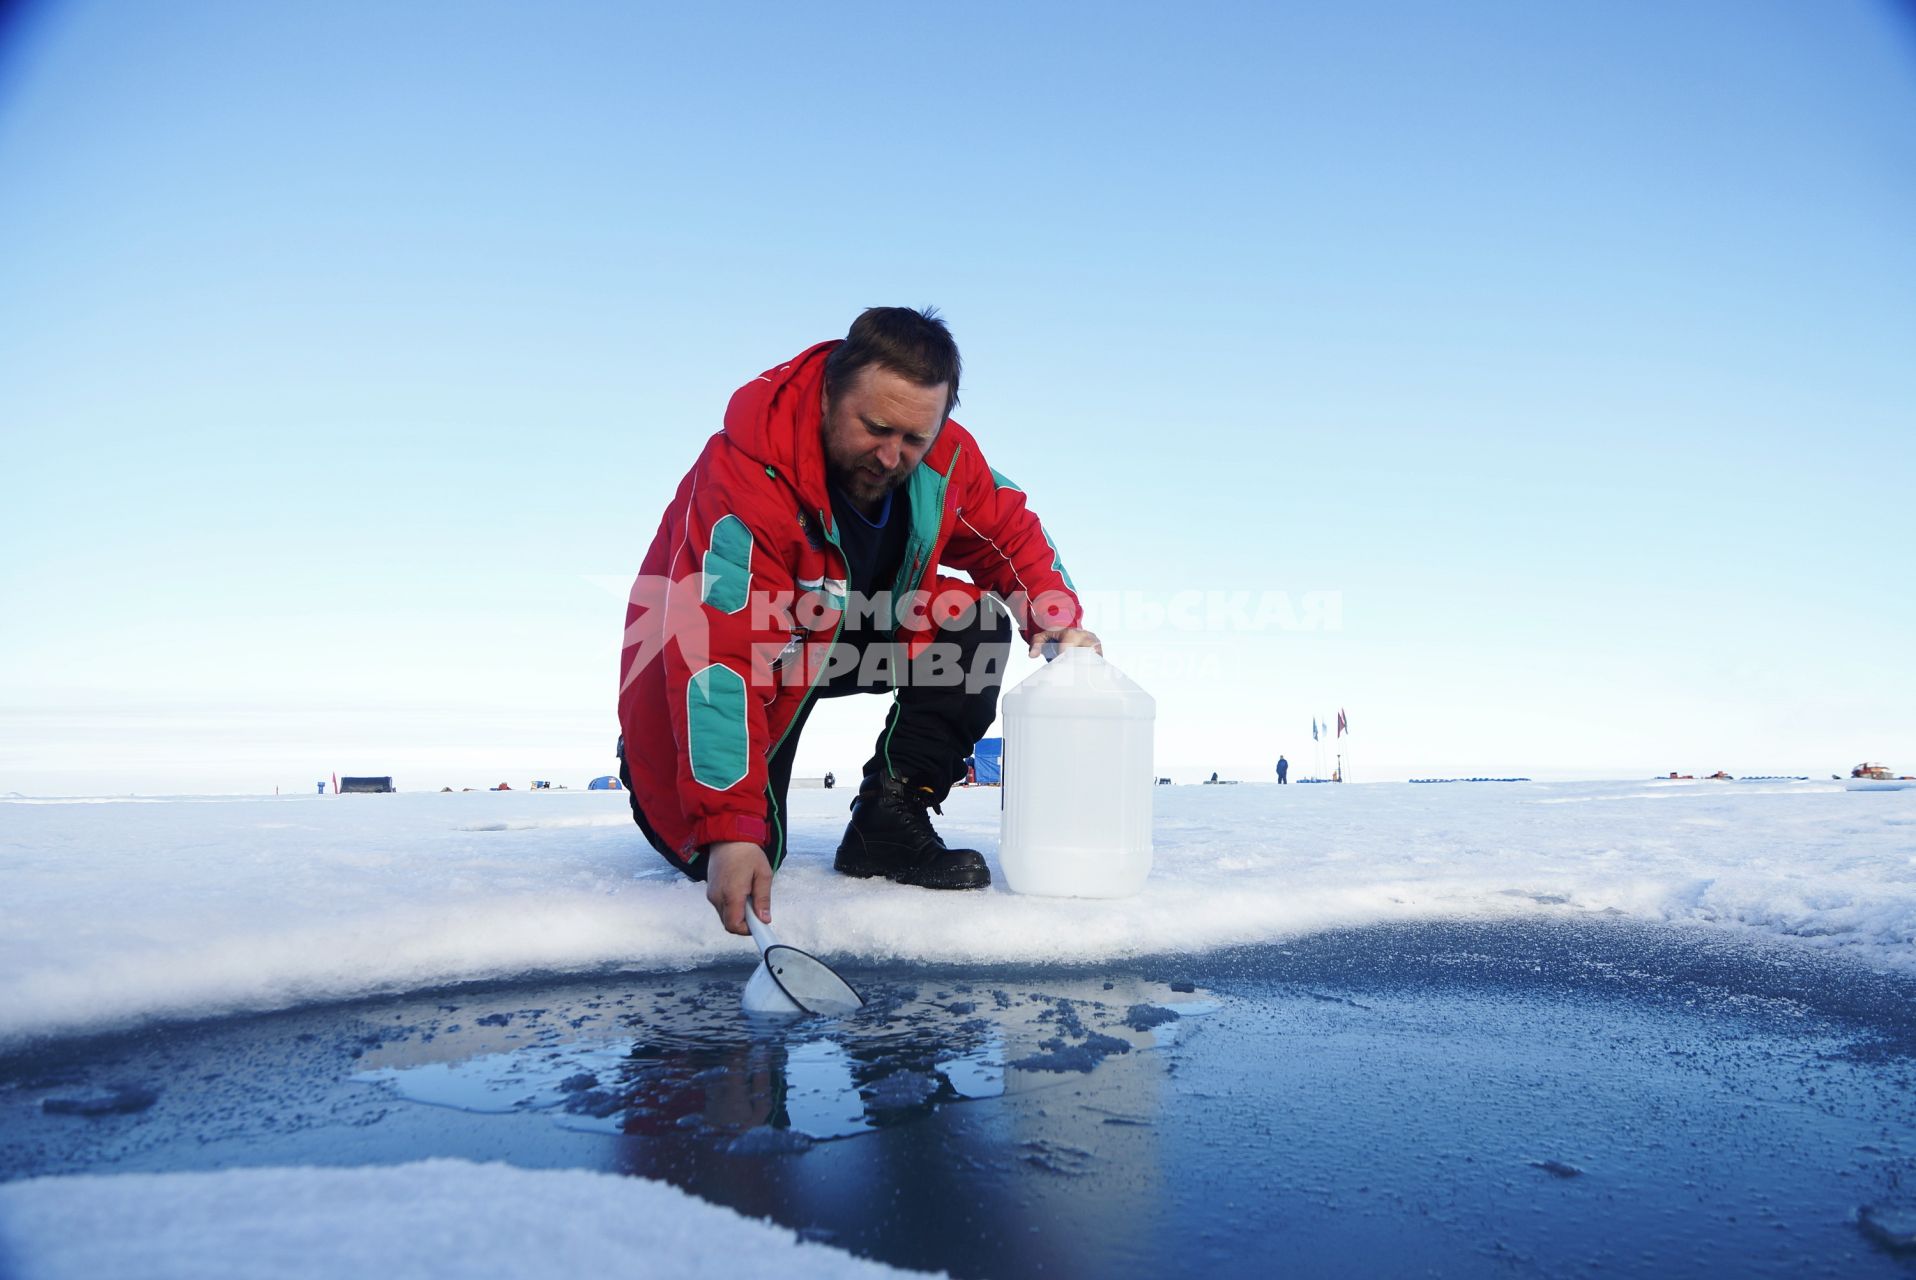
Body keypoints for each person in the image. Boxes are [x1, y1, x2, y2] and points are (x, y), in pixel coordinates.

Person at [617, 307, 1099, 935]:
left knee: (973, 620)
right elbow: (718, 654)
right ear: (828, 395)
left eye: (914, 438)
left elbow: (1009, 533)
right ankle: (656, 763)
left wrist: (1054, 616)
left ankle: (888, 821)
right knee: (740, 851)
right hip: (743, 661)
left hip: (845, 633)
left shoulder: (944, 459)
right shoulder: (742, 481)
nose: (892, 454)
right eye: (875, 428)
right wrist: (727, 827)